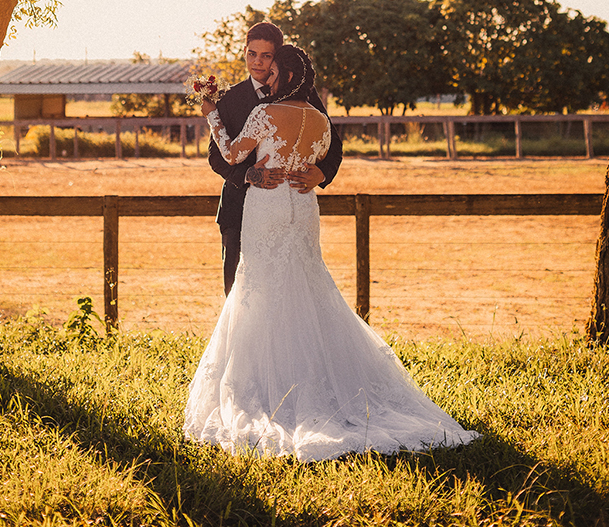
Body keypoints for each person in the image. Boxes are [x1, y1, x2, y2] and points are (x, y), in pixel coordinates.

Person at [185, 45, 480, 461]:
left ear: (285, 76)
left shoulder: (266, 114)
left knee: (261, 286)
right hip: (303, 207)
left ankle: (270, 387)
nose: (264, 73)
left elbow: (232, 153)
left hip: (268, 206)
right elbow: (317, 156)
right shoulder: (320, 120)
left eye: (273, 70)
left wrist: (212, 114)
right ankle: (323, 376)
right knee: (307, 282)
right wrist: (309, 170)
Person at [208, 21, 342, 295]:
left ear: (278, 58)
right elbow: (216, 157)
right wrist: (248, 175)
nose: (257, 62)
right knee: (238, 293)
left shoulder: (305, 93)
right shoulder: (228, 98)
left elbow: (334, 145)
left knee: (294, 288)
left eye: (266, 56)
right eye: (251, 54)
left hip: (291, 205)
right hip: (238, 205)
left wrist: (322, 173)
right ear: (244, 52)